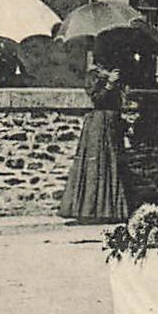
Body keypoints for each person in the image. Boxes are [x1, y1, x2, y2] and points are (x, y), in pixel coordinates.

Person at [59, 47, 131, 224]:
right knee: (96, 165)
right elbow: (97, 99)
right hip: (99, 123)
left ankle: (110, 210)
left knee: (112, 165)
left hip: (113, 123)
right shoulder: (93, 76)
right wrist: (110, 84)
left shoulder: (114, 74)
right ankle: (90, 210)